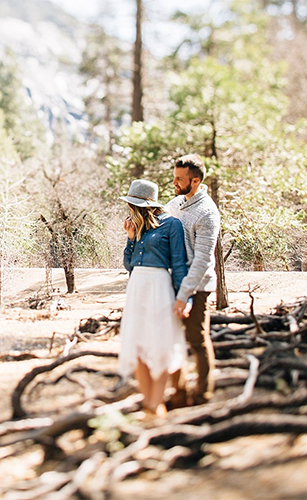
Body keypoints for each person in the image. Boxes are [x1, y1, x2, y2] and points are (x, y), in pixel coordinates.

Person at [118, 179, 189, 416]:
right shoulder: (137, 227)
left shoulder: (172, 225)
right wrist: (130, 238)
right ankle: (148, 404)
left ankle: (156, 403)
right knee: (137, 346)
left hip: (159, 286)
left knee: (160, 344)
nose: (130, 210)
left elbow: (179, 264)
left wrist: (184, 297)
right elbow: (129, 265)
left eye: (133, 205)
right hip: (137, 286)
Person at [166, 154, 221, 407]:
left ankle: (202, 394)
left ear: (196, 181)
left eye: (180, 179)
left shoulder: (207, 212)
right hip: (175, 280)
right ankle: (178, 393)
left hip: (198, 285)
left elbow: (202, 261)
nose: (174, 182)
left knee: (197, 339)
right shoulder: (177, 203)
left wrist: (184, 294)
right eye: (174, 177)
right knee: (172, 337)